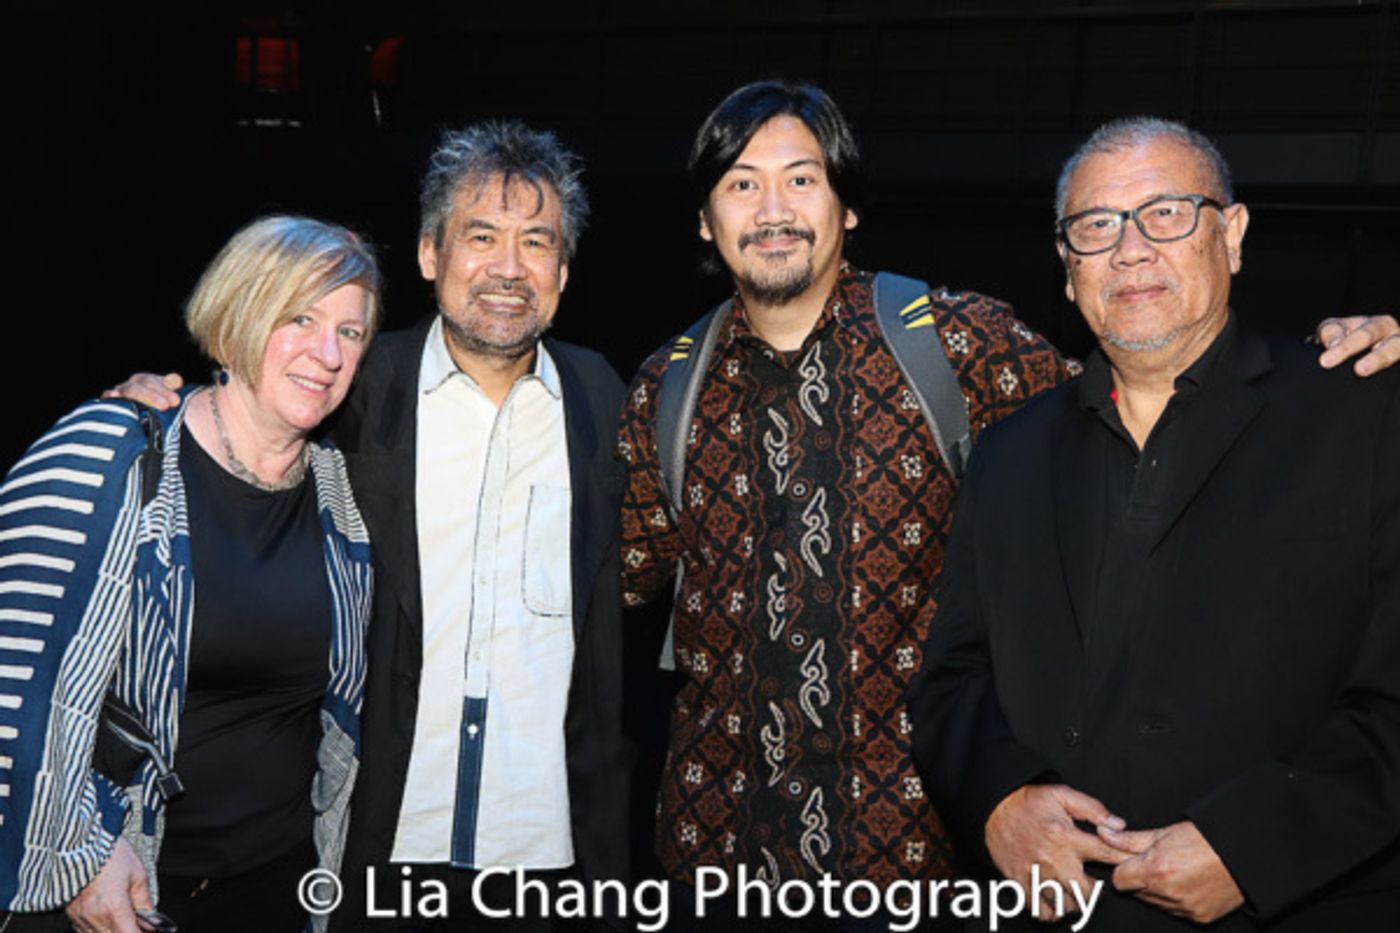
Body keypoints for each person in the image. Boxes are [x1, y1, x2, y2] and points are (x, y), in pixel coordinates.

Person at [616, 80, 1398, 903]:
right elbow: (614, 584)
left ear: (847, 206)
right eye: (741, 182)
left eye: (802, 177)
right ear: (706, 220)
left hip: (911, 870)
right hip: (714, 854)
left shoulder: (960, 344)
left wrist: (1333, 356)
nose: (773, 206)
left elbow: (1155, 382)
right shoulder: (660, 390)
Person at [104, 121, 629, 931]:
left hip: (549, 857)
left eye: (537, 241)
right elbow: (245, 411)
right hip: (374, 851)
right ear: (430, 254)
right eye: (480, 236)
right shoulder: (351, 384)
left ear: (562, 270)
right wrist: (143, 407)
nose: (508, 267)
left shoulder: (603, 402)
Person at [906, 116, 1399, 931]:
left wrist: (1253, 845)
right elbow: (953, 676)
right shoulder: (1007, 454)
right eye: (1095, 228)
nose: (1129, 249)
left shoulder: (1362, 414)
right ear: (1068, 272)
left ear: (1232, 235)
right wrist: (998, 798)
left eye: (1167, 212)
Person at [0, 215, 379, 933]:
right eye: (298, 316)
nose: (326, 352)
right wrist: (79, 854)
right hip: (125, 882)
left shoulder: (342, 492)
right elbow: (10, 681)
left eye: (350, 331)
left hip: (280, 885)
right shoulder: (112, 451)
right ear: (238, 311)